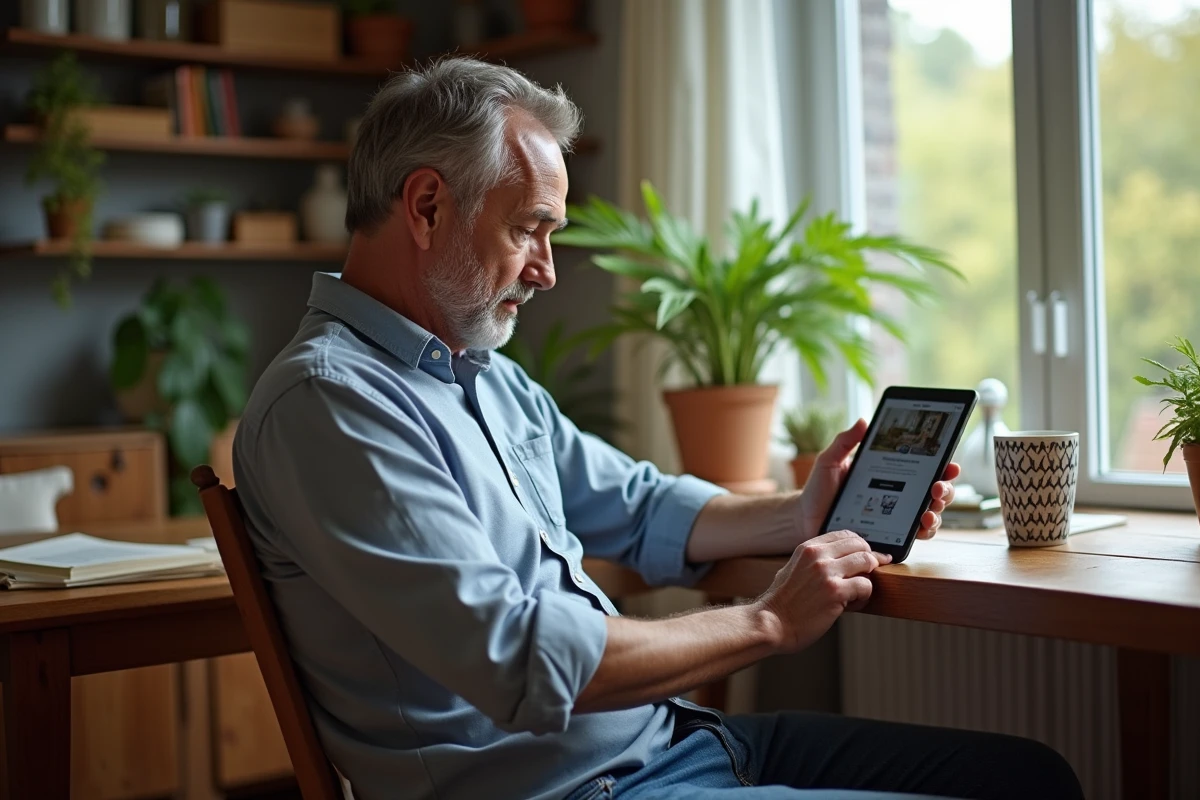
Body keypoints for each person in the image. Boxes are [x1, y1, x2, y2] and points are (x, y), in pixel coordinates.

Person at [233, 58, 1083, 800]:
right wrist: (769, 622)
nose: (547, 270)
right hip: (580, 789)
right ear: (426, 207)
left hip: (673, 742)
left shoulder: (482, 376)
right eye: (529, 228)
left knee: (1030, 776)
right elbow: (520, 658)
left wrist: (800, 514)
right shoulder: (330, 404)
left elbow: (639, 508)